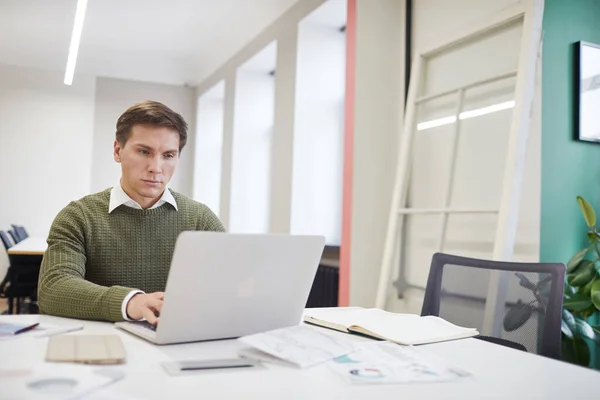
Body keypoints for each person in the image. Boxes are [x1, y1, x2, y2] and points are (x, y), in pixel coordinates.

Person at [38, 100, 224, 324]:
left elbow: (232, 283)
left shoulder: (200, 219)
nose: (156, 167)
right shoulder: (78, 217)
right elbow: (54, 288)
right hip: (102, 345)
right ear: (118, 150)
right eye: (144, 151)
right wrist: (130, 302)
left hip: (177, 344)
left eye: (168, 155)